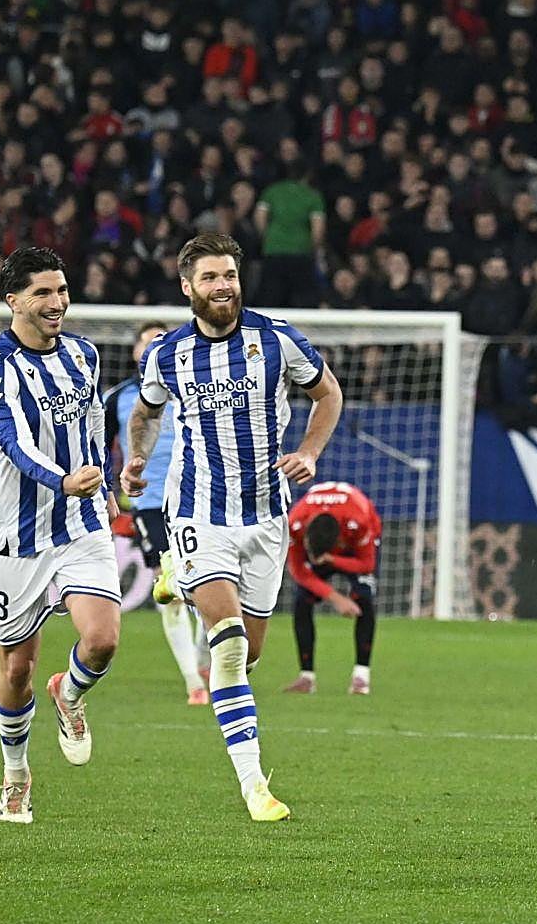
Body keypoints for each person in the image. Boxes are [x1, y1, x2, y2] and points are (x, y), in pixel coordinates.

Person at [121, 233, 345, 822]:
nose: (223, 286)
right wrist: (137, 458)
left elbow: (328, 394)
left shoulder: (275, 339)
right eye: (211, 278)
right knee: (227, 642)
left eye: (230, 276)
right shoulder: (167, 354)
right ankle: (254, 786)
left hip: (267, 517)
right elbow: (145, 410)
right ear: (187, 286)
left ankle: (179, 628)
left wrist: (311, 451)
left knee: (246, 658)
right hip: (199, 510)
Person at [0, 246, 123, 824]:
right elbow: (11, 442)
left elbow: (93, 427)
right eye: (43, 292)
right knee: (15, 670)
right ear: (14, 301)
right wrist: (62, 479)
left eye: (61, 289)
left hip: (81, 525)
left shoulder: (83, 356)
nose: (57, 302)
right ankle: (16, 773)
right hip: (16, 535)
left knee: (104, 639)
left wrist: (102, 480)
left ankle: (71, 693)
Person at [104, 321, 208, 704]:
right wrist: (107, 487)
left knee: (204, 583)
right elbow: (100, 446)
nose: (154, 348)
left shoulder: (193, 389)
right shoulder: (118, 398)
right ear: (135, 352)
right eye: (147, 342)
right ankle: (193, 682)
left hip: (197, 496)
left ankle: (202, 661)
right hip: (150, 502)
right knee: (171, 585)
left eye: (161, 342)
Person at [281, 480, 383, 696]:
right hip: (325, 538)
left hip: (355, 548)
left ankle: (361, 677)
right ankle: (306, 677)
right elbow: (299, 572)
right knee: (302, 601)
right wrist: (335, 597)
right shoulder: (295, 523)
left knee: (363, 598)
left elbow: (367, 564)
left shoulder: (359, 521)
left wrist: (331, 560)